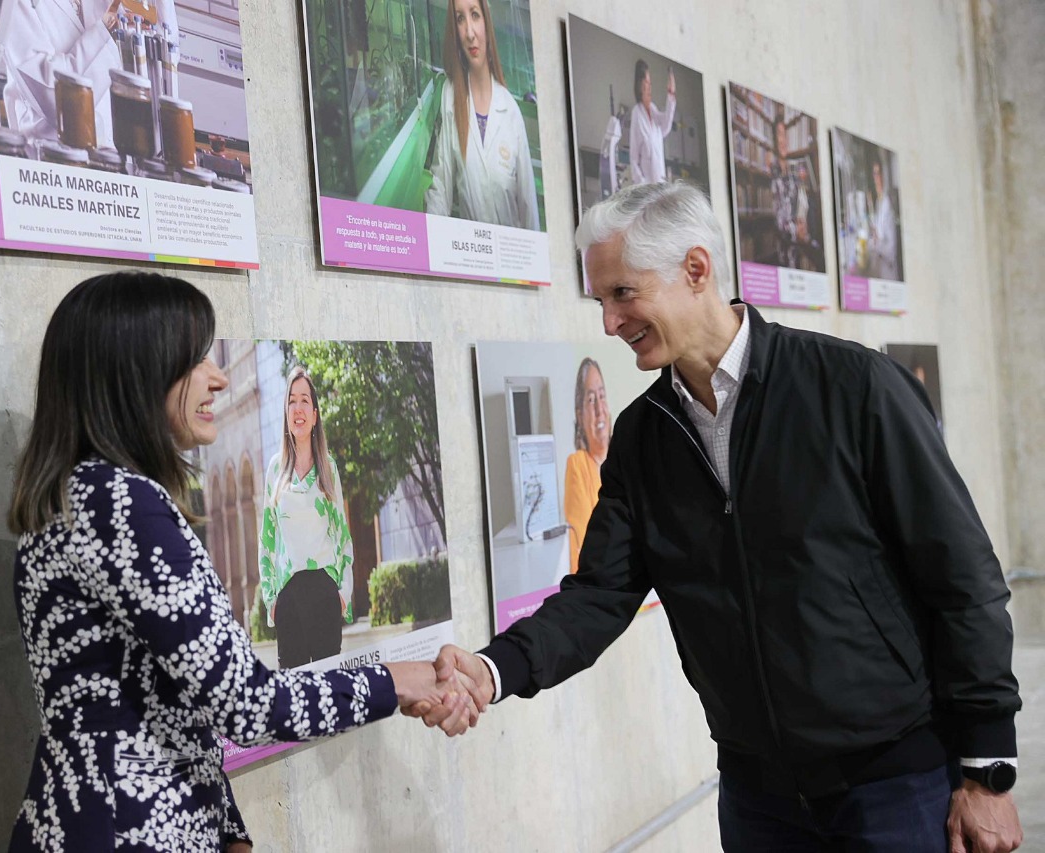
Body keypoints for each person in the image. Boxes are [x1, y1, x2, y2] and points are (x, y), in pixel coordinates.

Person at [418, 183, 1024, 852]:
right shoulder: (642, 438)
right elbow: (598, 596)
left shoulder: (856, 389)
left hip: (895, 787)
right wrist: (494, 667)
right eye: (601, 300)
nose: (609, 323)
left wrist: (987, 769)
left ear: (696, 269)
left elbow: (964, 578)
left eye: (623, 293)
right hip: (757, 801)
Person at [5, 272, 478, 851]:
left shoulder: (72, 495)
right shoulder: (120, 503)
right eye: (193, 361)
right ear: (134, 373)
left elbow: (166, 695)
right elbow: (249, 703)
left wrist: (227, 826)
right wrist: (396, 678)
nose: (219, 377)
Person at [258, 366, 354, 668]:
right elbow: (266, 541)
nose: (297, 408)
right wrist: (272, 600)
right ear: (286, 411)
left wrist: (343, 593)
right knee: (295, 700)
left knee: (328, 694)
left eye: (304, 401)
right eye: (291, 401)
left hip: (325, 595)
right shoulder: (275, 469)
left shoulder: (329, 468)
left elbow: (342, 535)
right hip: (288, 600)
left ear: (314, 414)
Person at [1, 0, 178, 150]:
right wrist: (103, 31)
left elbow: (168, 56)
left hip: (112, 166)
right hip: (51, 168)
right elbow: (58, 100)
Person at [424, 0, 539, 230]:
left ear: (487, 21)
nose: (469, 33)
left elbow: (529, 209)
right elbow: (440, 188)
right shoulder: (451, 96)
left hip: (512, 256)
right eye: (460, 19)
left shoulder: (510, 111)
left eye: (475, 15)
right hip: (472, 257)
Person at [563, 357, 610, 574]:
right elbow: (583, 544)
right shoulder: (578, 465)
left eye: (602, 396)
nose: (600, 409)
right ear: (579, 415)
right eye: (591, 400)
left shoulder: (625, 457)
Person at [626, 59, 676, 185]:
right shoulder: (637, 113)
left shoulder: (653, 108)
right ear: (639, 86)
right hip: (646, 187)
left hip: (660, 181)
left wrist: (670, 94)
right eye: (646, 83)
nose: (649, 87)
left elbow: (665, 127)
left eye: (650, 83)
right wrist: (642, 183)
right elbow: (634, 158)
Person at [770, 117, 811, 269]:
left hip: (797, 253)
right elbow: (778, 219)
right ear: (774, 140)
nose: (783, 140)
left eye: (785, 135)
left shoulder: (792, 172)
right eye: (779, 134)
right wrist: (797, 231)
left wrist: (803, 225)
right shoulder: (772, 173)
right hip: (783, 257)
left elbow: (801, 203)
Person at [869, 154, 901, 280]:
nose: (878, 178)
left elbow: (891, 250)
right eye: (875, 174)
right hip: (881, 267)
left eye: (879, 173)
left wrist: (876, 244)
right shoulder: (879, 202)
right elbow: (877, 234)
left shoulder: (888, 204)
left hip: (889, 271)